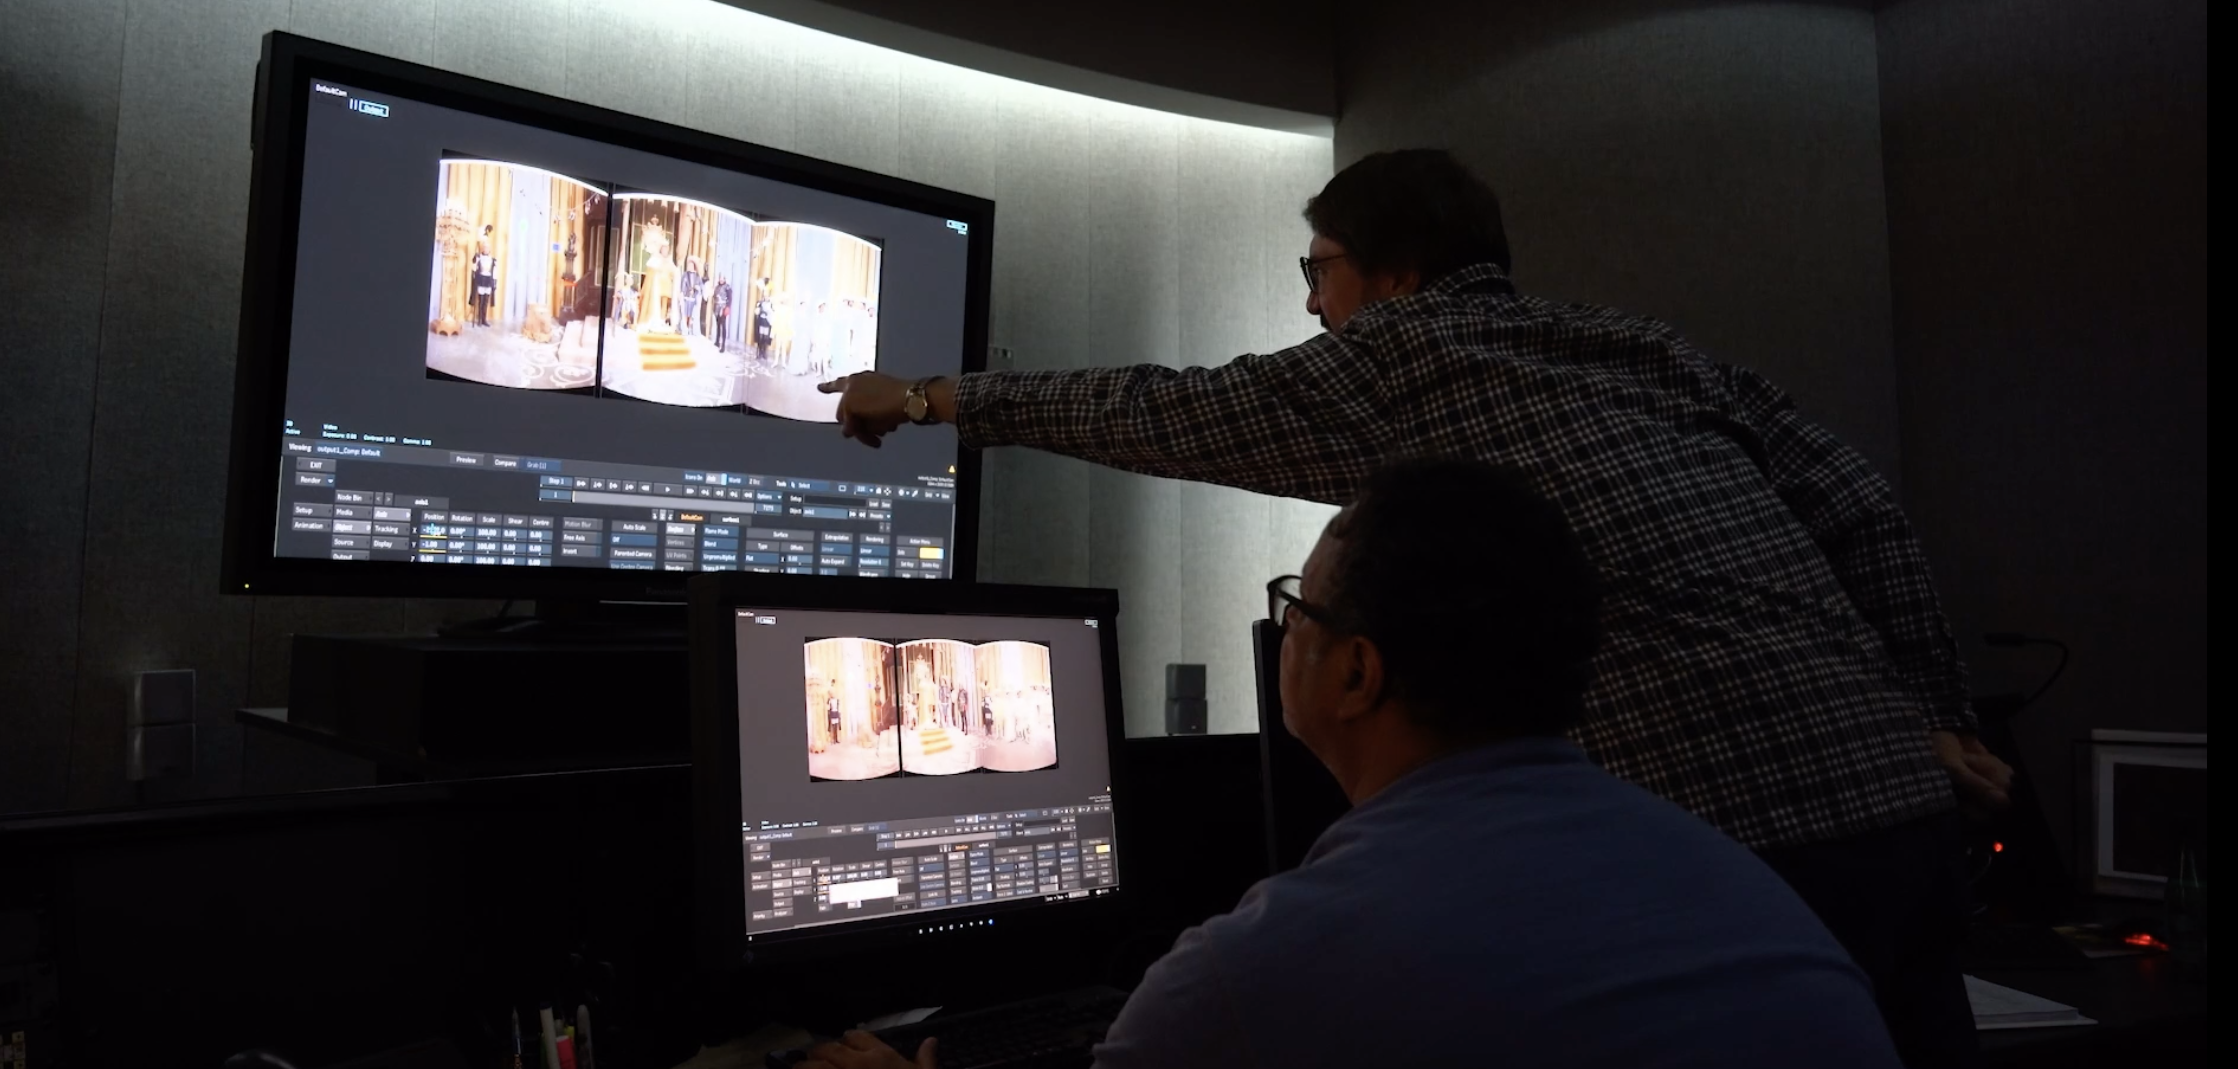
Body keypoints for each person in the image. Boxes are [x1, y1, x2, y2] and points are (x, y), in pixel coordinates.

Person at [821, 149, 2005, 1068]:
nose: (1313, 307)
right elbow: (1856, 501)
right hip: (1899, 799)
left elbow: (1155, 408)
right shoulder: (1643, 346)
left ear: (1393, 277)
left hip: (1723, 834)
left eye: (1320, 271)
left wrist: (928, 395)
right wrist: (1934, 708)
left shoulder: (1398, 355)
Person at [794, 458, 1901, 1069]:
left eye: (1298, 607)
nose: (1288, 632)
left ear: (1356, 672)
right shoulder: (1741, 886)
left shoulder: (1257, 974)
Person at [469, 227, 498, 328]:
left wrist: (494, 282)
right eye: (484, 247)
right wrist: (475, 261)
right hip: (481, 280)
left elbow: (494, 272)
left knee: (486, 301)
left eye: (487, 248)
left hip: (488, 281)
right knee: (480, 301)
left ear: (489, 249)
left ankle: (484, 319)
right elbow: (474, 269)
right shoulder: (478, 257)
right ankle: (479, 320)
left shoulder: (493, 260)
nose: (486, 249)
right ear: (482, 249)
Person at [826, 680, 842, 746]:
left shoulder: (837, 700)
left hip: (836, 712)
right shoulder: (829, 700)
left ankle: (836, 739)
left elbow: (838, 707)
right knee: (832, 726)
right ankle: (832, 739)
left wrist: (839, 713)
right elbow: (828, 707)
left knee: (836, 726)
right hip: (832, 713)